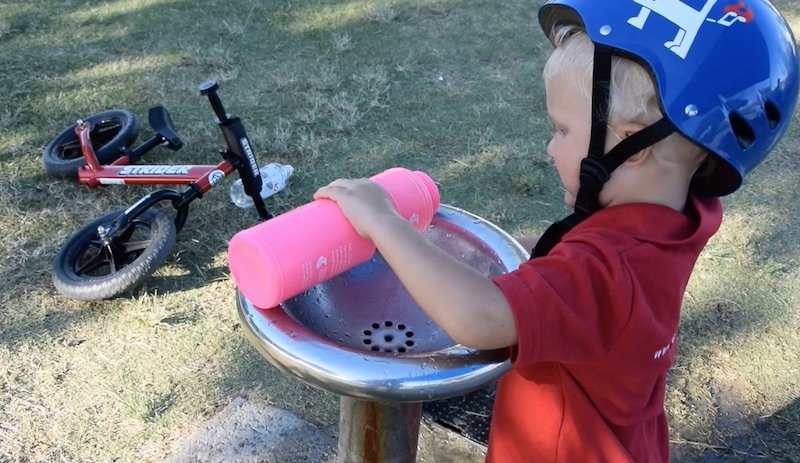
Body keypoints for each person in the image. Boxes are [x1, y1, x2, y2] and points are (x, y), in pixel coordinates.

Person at [314, 0, 799, 461]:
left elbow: (481, 319)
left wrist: (384, 222)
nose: (551, 147)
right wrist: (475, 254)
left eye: (562, 130)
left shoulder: (607, 269)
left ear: (633, 146)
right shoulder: (676, 217)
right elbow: (567, 264)